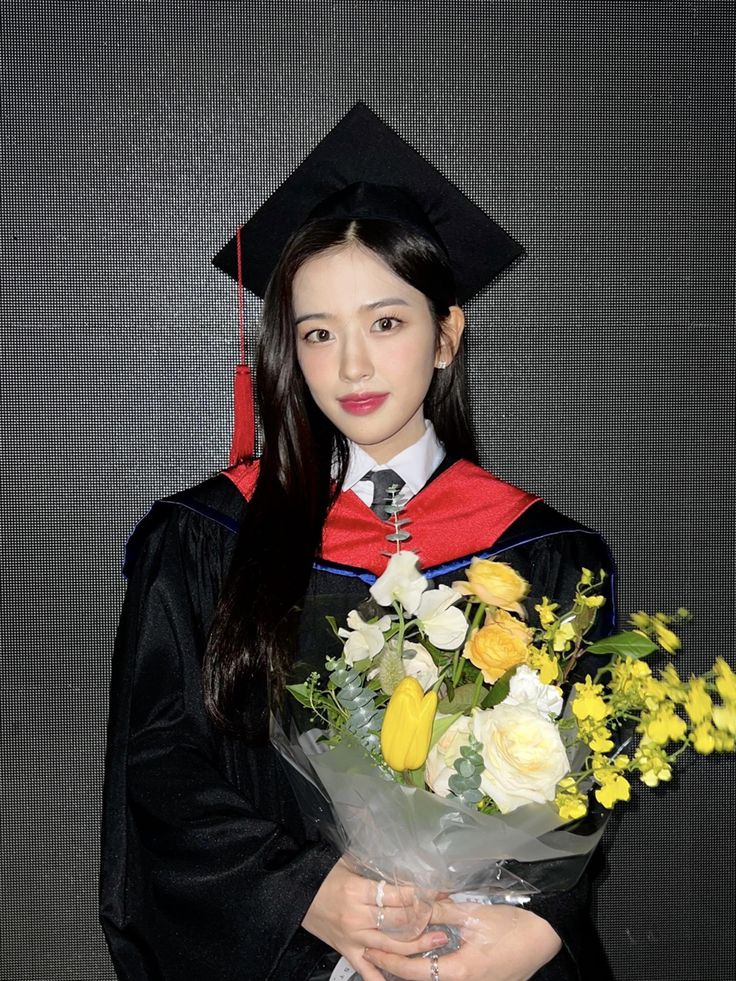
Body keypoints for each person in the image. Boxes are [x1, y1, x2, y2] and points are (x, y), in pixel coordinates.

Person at [100, 104, 616, 981]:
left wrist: (531, 928)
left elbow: (581, 771)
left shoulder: (543, 551)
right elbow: (159, 764)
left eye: (386, 322)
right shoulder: (203, 538)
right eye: (317, 333)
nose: (351, 369)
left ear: (447, 334)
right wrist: (307, 896)